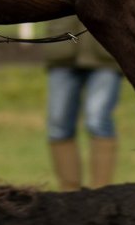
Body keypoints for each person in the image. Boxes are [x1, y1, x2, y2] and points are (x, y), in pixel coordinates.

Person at [45, 32, 123, 190]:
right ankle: (69, 193)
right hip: (63, 53)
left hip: (106, 53)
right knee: (58, 125)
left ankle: (101, 191)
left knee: (97, 120)